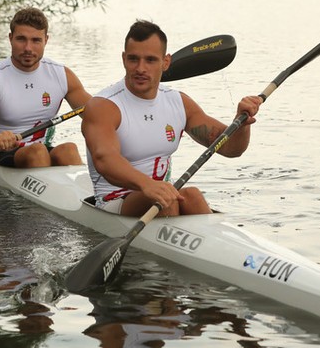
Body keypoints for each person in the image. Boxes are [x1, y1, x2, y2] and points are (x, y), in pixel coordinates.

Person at [82, 20, 262, 217]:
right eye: (134, 59)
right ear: (124, 59)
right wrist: (147, 185)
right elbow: (105, 160)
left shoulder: (178, 102)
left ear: (165, 62)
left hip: (163, 196)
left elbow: (230, 148)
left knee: (191, 195)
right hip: (113, 202)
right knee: (165, 200)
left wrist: (242, 122)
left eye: (150, 60)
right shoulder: (104, 106)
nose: (140, 68)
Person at [0, 7, 91, 168]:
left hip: (41, 150)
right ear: (10, 38)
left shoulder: (62, 75)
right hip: (1, 152)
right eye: (21, 39)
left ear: (46, 40)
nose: (28, 48)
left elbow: (97, 115)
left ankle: (82, 191)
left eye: (36, 40)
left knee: (69, 149)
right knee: (37, 151)